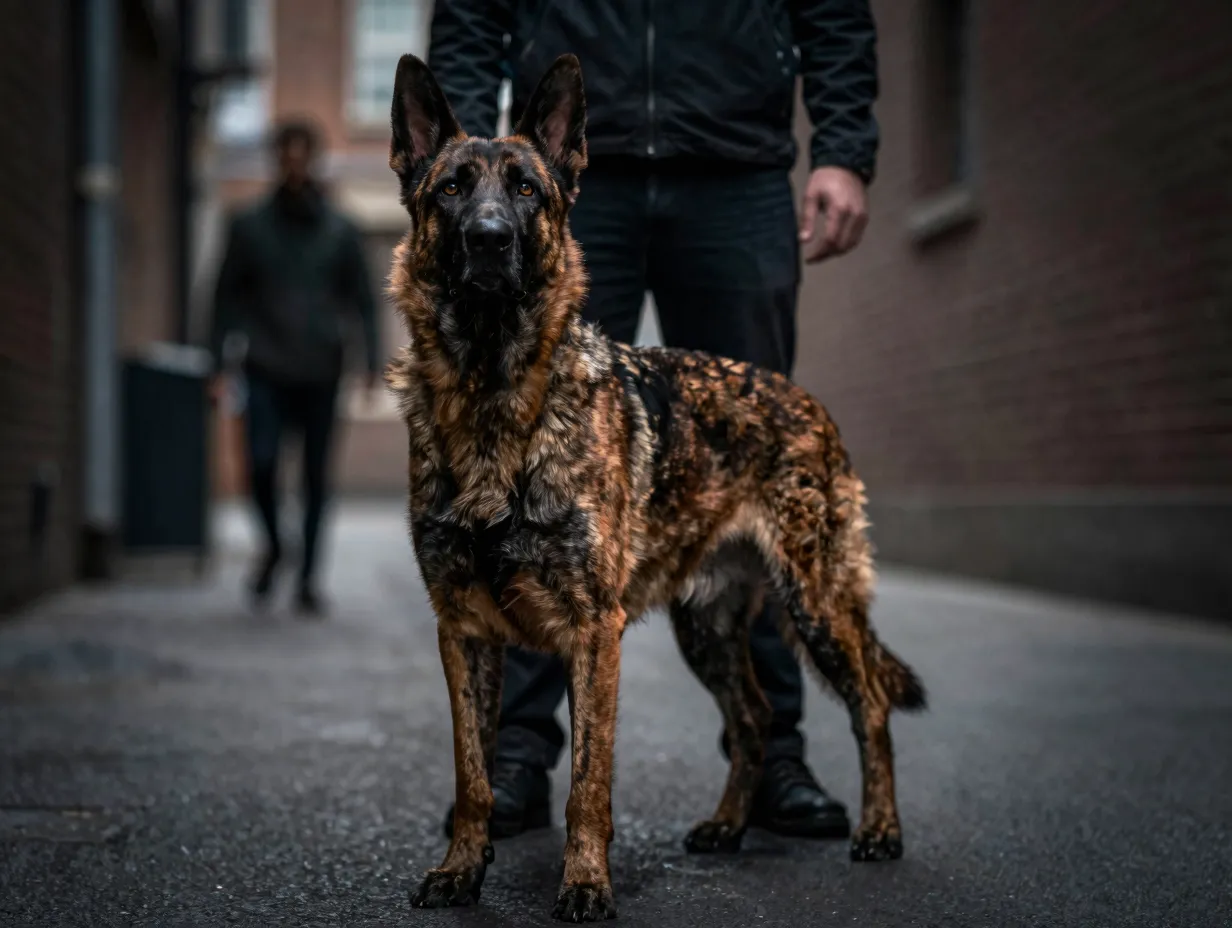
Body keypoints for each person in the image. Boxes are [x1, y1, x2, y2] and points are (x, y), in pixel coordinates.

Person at [428, 0, 879, 839]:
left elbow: (832, 10)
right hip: (567, 171)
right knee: (528, 470)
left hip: (735, 163)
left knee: (752, 473)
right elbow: (468, 13)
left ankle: (773, 753)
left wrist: (845, 147)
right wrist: (459, 155)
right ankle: (518, 753)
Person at [209, 120, 380, 615]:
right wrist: (219, 364)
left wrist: (369, 362)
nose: (295, 165)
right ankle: (276, 547)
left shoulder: (341, 230)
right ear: (276, 160)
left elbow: (363, 300)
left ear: (314, 161)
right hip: (263, 367)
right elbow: (223, 299)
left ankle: (307, 579)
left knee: (314, 479)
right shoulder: (248, 227)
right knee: (259, 465)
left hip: (321, 370)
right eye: (286, 155)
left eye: (303, 156)